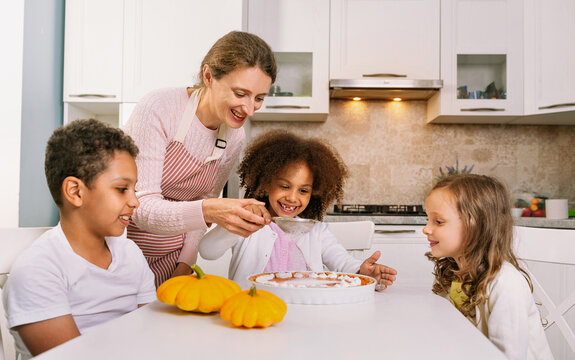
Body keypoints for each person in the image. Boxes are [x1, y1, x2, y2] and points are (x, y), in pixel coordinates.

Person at [123, 31, 277, 287]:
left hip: (171, 262)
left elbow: (202, 205)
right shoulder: (160, 108)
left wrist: (185, 264)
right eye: (241, 94)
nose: (250, 109)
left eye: (259, 98)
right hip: (122, 256)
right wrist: (211, 210)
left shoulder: (234, 137)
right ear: (208, 76)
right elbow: (140, 208)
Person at [2, 119, 156, 359]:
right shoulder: (39, 271)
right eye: (122, 189)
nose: (135, 201)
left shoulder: (130, 253)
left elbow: (152, 335)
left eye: (134, 189)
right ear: (75, 192)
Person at [199, 130, 398, 290]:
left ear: (314, 193)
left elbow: (341, 262)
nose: (292, 197)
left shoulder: (317, 231)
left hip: (305, 310)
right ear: (267, 184)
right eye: (284, 186)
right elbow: (207, 251)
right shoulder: (249, 223)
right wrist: (239, 221)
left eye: (303, 190)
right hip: (252, 311)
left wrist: (361, 270)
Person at [423, 174, 553, 360]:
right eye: (428, 219)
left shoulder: (506, 283)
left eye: (438, 221)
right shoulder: (451, 274)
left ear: (475, 226)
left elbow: (509, 355)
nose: (426, 229)